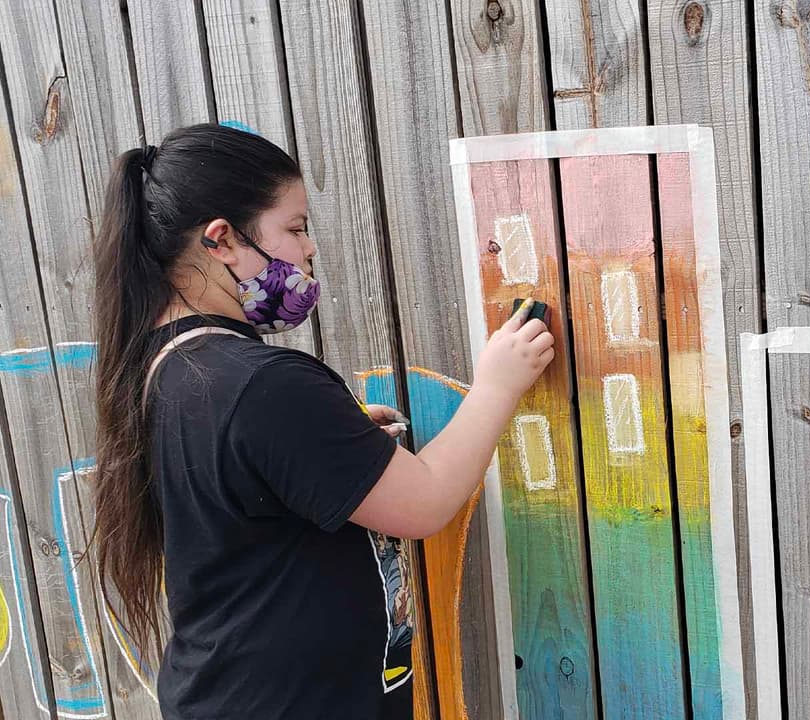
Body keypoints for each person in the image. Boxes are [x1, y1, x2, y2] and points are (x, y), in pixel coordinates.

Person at [91, 123, 553, 719]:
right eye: (295, 227)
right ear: (222, 240)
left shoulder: (166, 369)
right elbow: (425, 503)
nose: (308, 250)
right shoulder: (263, 385)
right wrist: (497, 385)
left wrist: (336, 448)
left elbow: (241, 480)